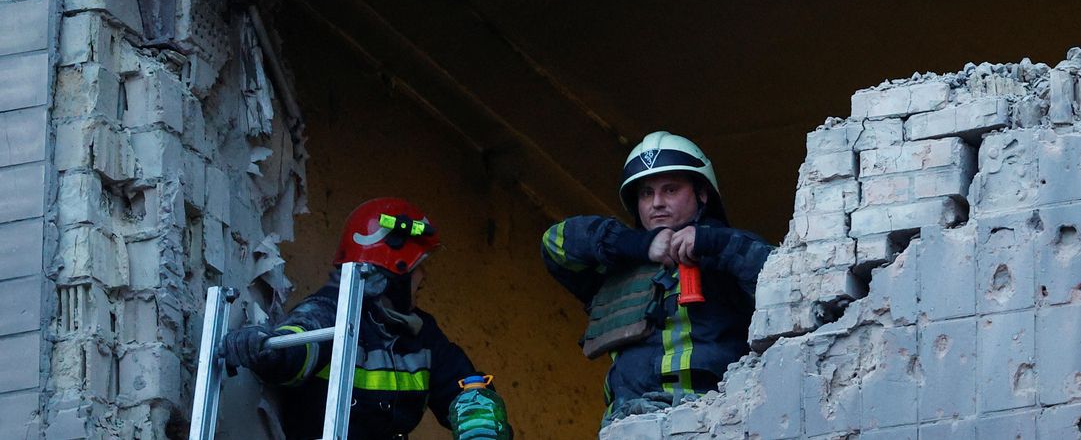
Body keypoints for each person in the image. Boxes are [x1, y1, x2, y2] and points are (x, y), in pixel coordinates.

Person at [221, 198, 514, 440]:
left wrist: (480, 418)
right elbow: (300, 342)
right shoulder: (332, 312)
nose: (424, 276)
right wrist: (267, 350)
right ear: (392, 273)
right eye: (418, 267)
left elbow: (459, 385)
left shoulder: (422, 335)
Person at [541, 131, 773, 424]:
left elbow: (787, 281)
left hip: (712, 419)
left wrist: (710, 242)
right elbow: (554, 244)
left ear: (702, 193)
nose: (657, 203)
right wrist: (637, 245)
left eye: (671, 190)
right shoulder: (616, 267)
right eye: (646, 193)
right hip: (627, 423)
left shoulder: (731, 250)